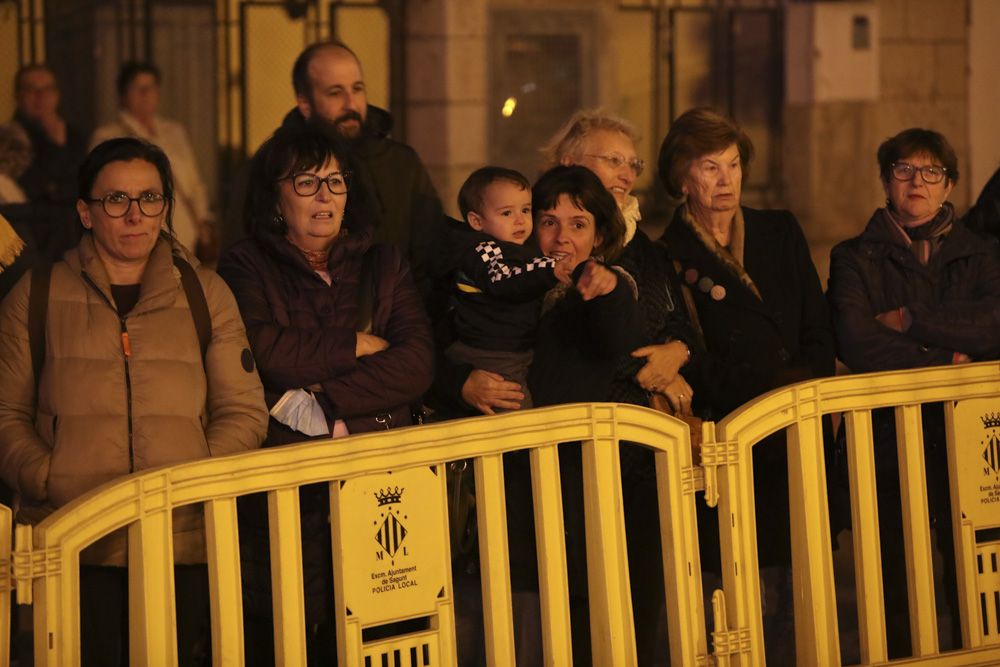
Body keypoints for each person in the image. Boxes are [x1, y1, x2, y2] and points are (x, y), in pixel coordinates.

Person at [0, 137, 268, 665]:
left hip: (181, 541)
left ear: (165, 208)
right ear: (85, 211)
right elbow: (6, 414)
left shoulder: (204, 293)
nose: (134, 215)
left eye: (149, 199)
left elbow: (244, 410)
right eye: (115, 200)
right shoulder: (36, 295)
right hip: (70, 540)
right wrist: (47, 476)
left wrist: (196, 477)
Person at [217, 125, 434, 665]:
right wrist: (356, 342)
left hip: (382, 481)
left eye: (336, 182)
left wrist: (323, 396)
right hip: (293, 494)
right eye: (307, 181)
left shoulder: (384, 262)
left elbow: (416, 363)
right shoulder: (246, 264)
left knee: (383, 632)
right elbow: (266, 352)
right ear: (275, 197)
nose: (325, 196)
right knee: (295, 629)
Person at [658, 107, 835, 662]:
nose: (726, 181)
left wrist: (805, 384)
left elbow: (817, 325)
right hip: (735, 438)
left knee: (807, 584)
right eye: (710, 168)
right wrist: (770, 385)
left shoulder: (779, 230)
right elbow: (693, 358)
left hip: (800, 426)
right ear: (682, 176)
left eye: (733, 165)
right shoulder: (668, 257)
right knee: (743, 582)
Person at [827, 128, 1000, 657]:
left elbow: (993, 325)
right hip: (884, 440)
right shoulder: (854, 256)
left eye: (931, 173)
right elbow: (856, 338)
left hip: (965, 439)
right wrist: (946, 358)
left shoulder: (982, 253)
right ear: (885, 181)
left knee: (974, 574)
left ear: (948, 186)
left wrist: (910, 317)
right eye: (903, 170)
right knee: (893, 583)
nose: (917, 182)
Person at [541, 109, 699, 663]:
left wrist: (675, 351)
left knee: (645, 606)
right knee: (582, 614)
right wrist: (640, 362)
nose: (627, 172)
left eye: (631, 163)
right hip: (578, 453)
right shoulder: (547, 237)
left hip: (643, 453)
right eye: (611, 159)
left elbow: (678, 321)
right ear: (569, 161)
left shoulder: (642, 247)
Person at [275, 40, 444, 299]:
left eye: (357, 89)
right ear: (305, 103)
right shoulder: (275, 167)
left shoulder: (401, 163)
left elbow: (431, 257)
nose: (351, 104)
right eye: (335, 93)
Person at [442, 166, 570, 412]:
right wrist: (550, 269)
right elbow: (504, 280)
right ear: (476, 221)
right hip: (491, 354)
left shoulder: (516, 250)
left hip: (512, 350)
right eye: (506, 213)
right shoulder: (484, 250)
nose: (520, 220)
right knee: (518, 419)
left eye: (525, 210)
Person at [91, 62, 215, 258]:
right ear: (123, 95)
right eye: (138, 88)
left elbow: (193, 182)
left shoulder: (174, 132)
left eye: (151, 88)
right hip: (140, 227)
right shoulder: (108, 136)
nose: (146, 94)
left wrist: (202, 219)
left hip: (184, 228)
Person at [9, 64, 87, 257]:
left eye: (47, 89)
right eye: (31, 89)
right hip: (34, 244)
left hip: (75, 241)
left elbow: (82, 187)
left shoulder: (73, 135)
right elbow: (41, 191)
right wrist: (57, 147)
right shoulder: (9, 140)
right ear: (18, 96)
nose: (40, 96)